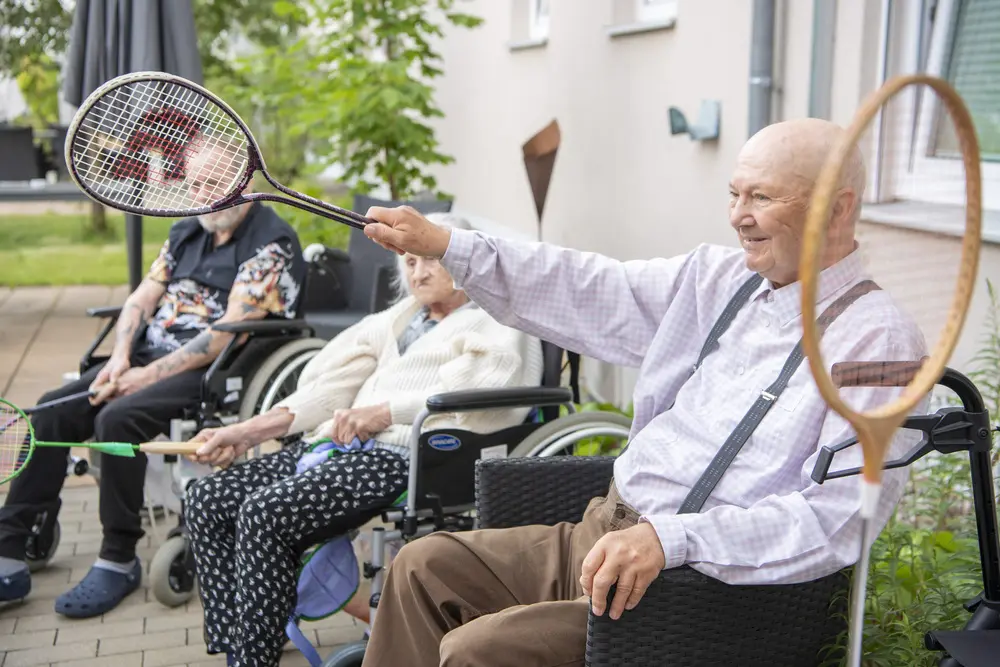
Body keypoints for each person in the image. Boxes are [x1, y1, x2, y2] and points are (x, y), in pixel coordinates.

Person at [356, 118, 929, 667]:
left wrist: (673, 540)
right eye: (734, 194)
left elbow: (843, 516)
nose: (737, 217)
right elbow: (589, 287)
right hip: (600, 531)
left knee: (476, 652)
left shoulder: (878, 342)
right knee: (422, 566)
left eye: (761, 198)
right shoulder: (720, 280)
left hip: (691, 592)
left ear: (839, 207)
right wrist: (447, 244)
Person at [182, 212, 545, 667]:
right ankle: (242, 639)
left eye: (431, 259)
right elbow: (329, 386)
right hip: (339, 447)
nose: (419, 272)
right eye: (410, 262)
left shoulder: (494, 319)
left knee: (263, 513)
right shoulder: (400, 318)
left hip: (411, 454)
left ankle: (251, 656)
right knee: (208, 496)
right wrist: (244, 431)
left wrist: (384, 412)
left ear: (462, 259)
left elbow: (489, 386)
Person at [0, 141, 305, 618]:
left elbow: (224, 335)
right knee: (52, 410)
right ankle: (11, 546)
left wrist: (143, 378)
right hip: (144, 355)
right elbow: (141, 300)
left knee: (117, 420)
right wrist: (120, 359)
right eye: (196, 183)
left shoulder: (271, 242)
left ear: (244, 184)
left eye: (215, 183)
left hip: (213, 369)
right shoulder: (186, 231)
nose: (204, 195)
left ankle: (118, 558)